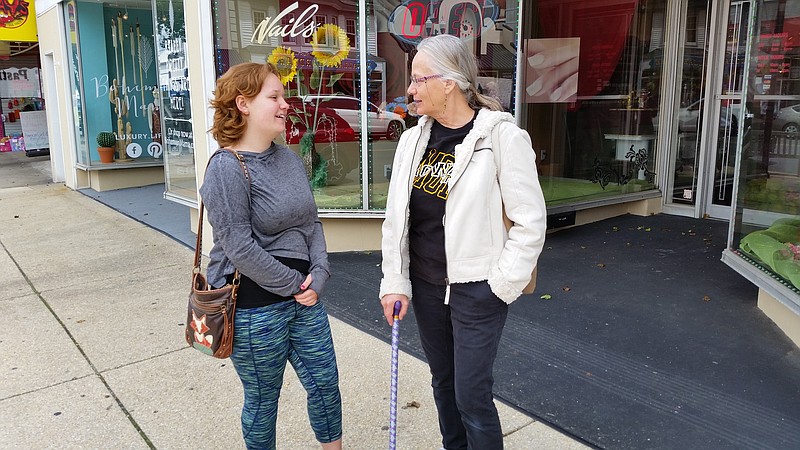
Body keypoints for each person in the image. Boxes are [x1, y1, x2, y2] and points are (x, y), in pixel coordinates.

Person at [379, 34, 547, 450]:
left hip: (477, 289)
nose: (411, 89)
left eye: (419, 80)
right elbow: (396, 220)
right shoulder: (411, 141)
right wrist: (395, 281)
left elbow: (530, 221)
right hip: (427, 286)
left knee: (471, 394)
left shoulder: (501, 138)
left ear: (449, 83)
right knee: (444, 384)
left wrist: (502, 285)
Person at [200, 62, 342, 450]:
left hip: (305, 298)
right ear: (243, 104)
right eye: (274, 97)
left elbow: (311, 224)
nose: (285, 104)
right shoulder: (226, 168)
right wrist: (294, 284)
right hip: (254, 308)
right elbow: (238, 246)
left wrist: (320, 272)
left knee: (326, 384)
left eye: (284, 96)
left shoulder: (289, 160)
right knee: (264, 402)